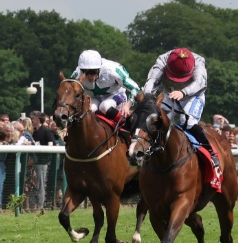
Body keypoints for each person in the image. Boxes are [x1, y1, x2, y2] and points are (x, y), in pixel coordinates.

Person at [142, 47, 223, 190]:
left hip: (193, 95)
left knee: (187, 123)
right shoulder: (162, 60)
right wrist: (148, 96)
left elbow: (199, 83)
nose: (178, 80)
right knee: (156, 123)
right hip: (169, 94)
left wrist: (183, 92)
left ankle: (211, 153)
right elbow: (152, 81)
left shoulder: (199, 62)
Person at [70, 50, 140, 122]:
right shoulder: (78, 72)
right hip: (94, 98)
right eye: (85, 72)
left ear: (99, 68)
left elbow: (135, 88)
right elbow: (68, 90)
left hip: (117, 95)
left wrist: (127, 106)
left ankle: (126, 124)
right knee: (88, 110)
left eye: (92, 72)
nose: (89, 76)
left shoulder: (113, 71)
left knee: (105, 106)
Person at [29, 111, 57, 210]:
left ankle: (41, 206)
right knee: (35, 185)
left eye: (33, 118)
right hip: (36, 162)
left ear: (38, 120)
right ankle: (35, 205)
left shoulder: (46, 131)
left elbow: (53, 144)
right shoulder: (35, 132)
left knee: (41, 184)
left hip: (44, 162)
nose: (32, 120)